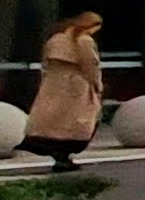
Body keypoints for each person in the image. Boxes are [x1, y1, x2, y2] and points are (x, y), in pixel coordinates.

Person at [27, 10, 107, 167]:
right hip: (77, 84)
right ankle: (65, 153)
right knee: (78, 120)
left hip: (54, 83)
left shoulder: (56, 39)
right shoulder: (84, 41)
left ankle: (54, 151)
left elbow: (45, 62)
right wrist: (97, 85)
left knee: (53, 118)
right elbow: (90, 66)